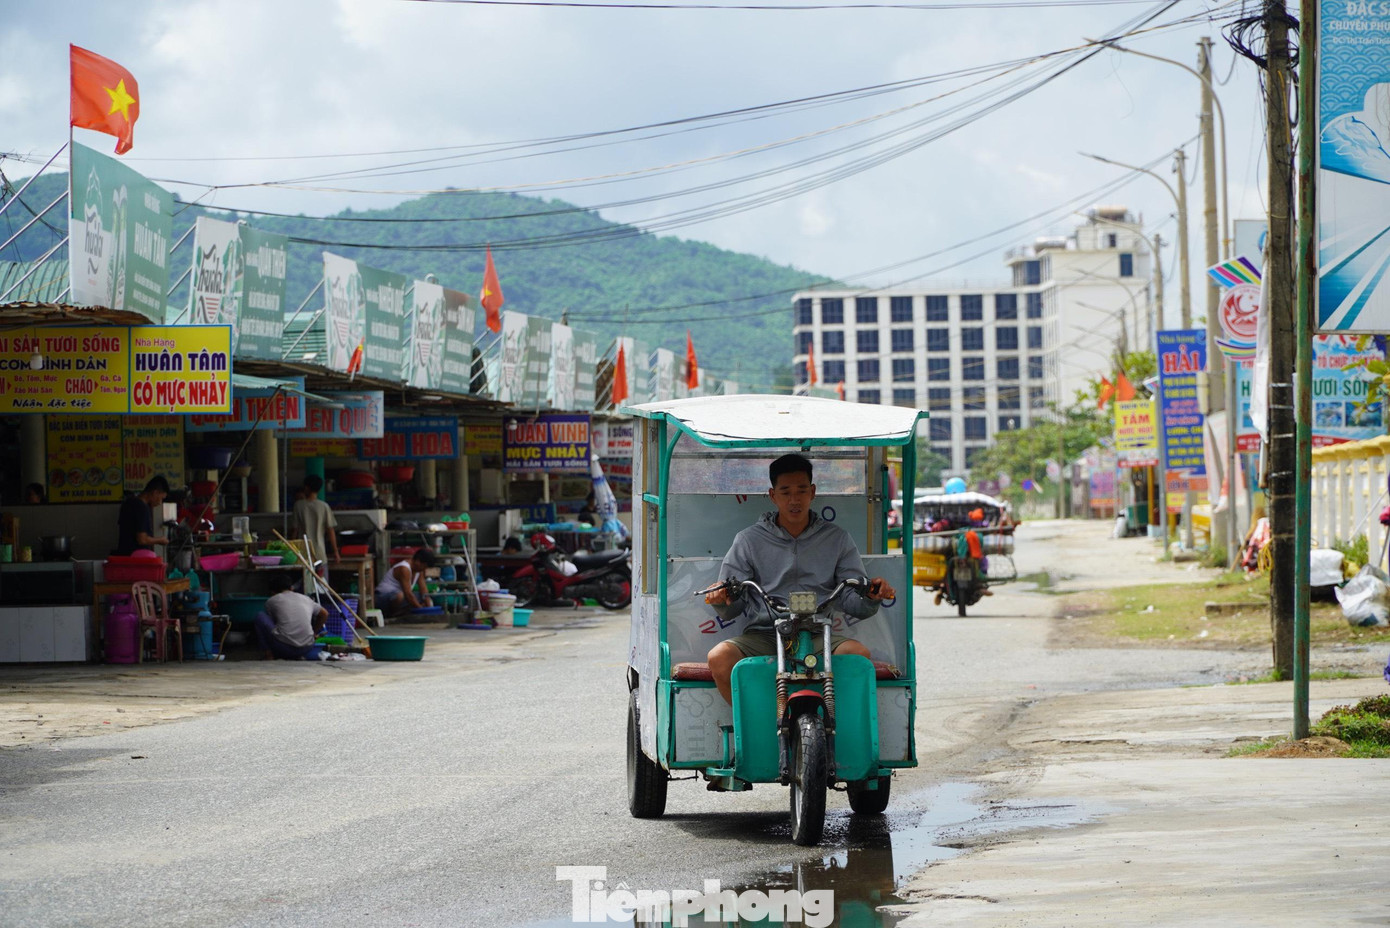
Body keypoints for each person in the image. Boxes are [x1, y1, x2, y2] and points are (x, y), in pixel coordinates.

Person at [704, 453, 896, 704]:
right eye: (785, 492)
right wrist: (721, 599)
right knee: (719, 657)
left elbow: (852, 601)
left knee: (857, 655)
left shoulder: (837, 538)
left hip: (818, 632)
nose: (794, 499)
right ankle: (755, 729)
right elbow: (732, 609)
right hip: (763, 635)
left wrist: (871, 597)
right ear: (773, 495)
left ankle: (831, 732)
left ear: (813, 492)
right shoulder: (748, 540)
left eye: (801, 490)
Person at [254, 572, 327, 660]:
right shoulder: (306, 598)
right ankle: (296, 655)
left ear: (272, 592)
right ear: (291, 588)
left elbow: (274, 624)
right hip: (307, 647)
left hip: (284, 647)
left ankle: (269, 654)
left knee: (260, 616)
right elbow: (324, 614)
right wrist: (314, 632)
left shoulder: (272, 601)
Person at [292, 475, 339, 571]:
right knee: (322, 583)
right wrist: (335, 552)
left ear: (306, 487)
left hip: (303, 553)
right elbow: (330, 531)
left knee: (305, 584)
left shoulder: (298, 506)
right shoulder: (324, 506)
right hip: (320, 553)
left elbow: (294, 530)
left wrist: (291, 549)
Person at [115, 476, 170, 556]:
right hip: (136, 558)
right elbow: (142, 539)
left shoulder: (128, 503)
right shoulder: (142, 507)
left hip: (123, 555)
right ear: (155, 493)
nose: (160, 503)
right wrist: (160, 540)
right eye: (161, 498)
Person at [374, 547, 437, 617]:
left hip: (400, 597)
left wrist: (429, 608)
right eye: (424, 566)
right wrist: (421, 610)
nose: (424, 569)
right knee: (399, 596)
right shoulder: (404, 569)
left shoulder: (419, 571)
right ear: (418, 561)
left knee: (425, 598)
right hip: (383, 597)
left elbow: (424, 590)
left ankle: (404, 612)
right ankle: (392, 616)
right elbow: (408, 594)